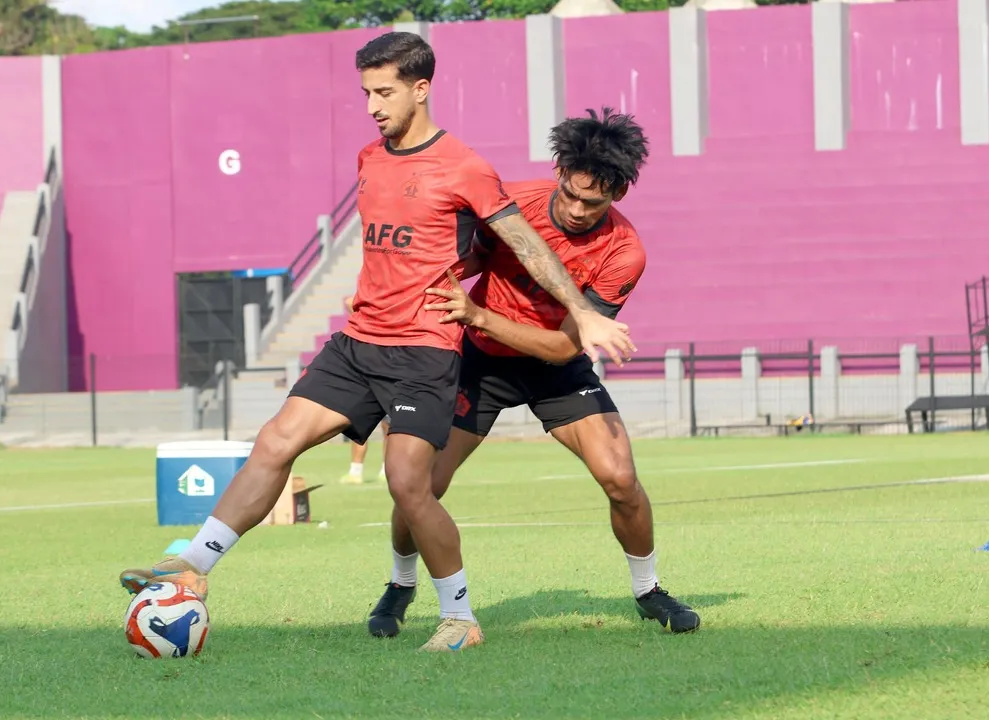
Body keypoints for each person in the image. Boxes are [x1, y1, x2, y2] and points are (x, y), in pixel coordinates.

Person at [118, 32, 636, 653]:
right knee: (275, 442)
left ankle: (459, 618)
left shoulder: (466, 167)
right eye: (366, 91)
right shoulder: (370, 157)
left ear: (421, 89)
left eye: (384, 91)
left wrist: (583, 311)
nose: (372, 104)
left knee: (408, 484)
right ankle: (192, 568)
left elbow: (527, 244)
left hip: (424, 351)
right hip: (359, 340)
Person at [364, 108, 701, 639]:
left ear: (618, 196)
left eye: (594, 203)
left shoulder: (625, 252)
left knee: (621, 479)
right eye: (570, 192)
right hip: (479, 361)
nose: (577, 210)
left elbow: (563, 345)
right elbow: (468, 259)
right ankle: (399, 584)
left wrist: (476, 313)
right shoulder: (513, 202)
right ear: (559, 172)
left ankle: (648, 589)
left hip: (554, 367)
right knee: (422, 485)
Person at [340, 295, 390, 485]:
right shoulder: (373, 320)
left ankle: (385, 469)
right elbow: (348, 301)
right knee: (359, 427)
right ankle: (356, 471)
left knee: (389, 429)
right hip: (368, 375)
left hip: (387, 376)